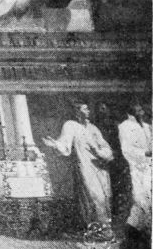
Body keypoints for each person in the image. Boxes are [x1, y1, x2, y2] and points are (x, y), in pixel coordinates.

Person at [43, 101, 114, 238]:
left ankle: (104, 230)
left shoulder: (93, 128)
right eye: (84, 109)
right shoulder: (70, 125)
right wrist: (55, 144)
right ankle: (98, 229)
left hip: (100, 167)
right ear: (77, 111)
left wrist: (101, 153)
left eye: (88, 108)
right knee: (94, 196)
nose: (88, 111)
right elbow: (65, 145)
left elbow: (105, 146)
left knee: (105, 197)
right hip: (85, 165)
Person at [118, 102, 152, 235]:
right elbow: (126, 149)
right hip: (137, 167)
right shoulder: (125, 126)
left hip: (149, 166)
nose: (141, 112)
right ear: (130, 112)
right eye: (137, 110)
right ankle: (134, 230)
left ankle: (139, 229)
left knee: (148, 197)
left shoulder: (147, 126)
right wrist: (144, 153)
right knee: (140, 198)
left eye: (141, 109)